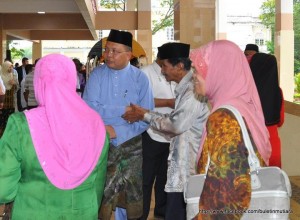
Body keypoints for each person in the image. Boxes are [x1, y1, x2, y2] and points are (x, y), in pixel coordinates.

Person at [0, 53, 109, 219]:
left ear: (39, 83)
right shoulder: (96, 125)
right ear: (73, 80)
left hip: (31, 212)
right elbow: (98, 187)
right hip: (82, 212)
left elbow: (3, 189)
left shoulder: (20, 125)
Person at [123, 42, 210, 220]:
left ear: (179, 66)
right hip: (180, 162)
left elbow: (175, 125)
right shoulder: (185, 88)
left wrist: (145, 115)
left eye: (164, 66)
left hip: (188, 168)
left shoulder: (192, 90)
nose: (162, 71)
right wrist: (145, 113)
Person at [190, 40, 271, 219]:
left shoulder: (223, 119)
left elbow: (225, 200)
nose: (193, 75)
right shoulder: (242, 105)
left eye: (198, 69)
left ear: (220, 71)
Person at [83, 29, 154, 220]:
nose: (108, 55)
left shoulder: (140, 79)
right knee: (102, 192)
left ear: (128, 55)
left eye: (115, 51)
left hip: (131, 143)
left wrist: (116, 131)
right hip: (101, 142)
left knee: (130, 193)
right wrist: (123, 110)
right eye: (107, 50)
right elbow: (89, 109)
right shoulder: (97, 75)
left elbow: (145, 116)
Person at [139, 50, 176, 219]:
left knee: (165, 178)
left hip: (172, 135)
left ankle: (161, 213)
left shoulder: (176, 73)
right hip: (150, 133)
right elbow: (140, 101)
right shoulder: (145, 73)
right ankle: (142, 214)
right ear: (161, 58)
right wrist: (169, 102)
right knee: (146, 179)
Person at [244, 43, 284, 168]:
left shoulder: (245, 93)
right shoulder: (278, 92)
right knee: (273, 184)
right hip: (273, 147)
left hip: (253, 147)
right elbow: (280, 121)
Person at [0, 61, 18, 137]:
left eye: (12, 66)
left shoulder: (12, 76)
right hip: (2, 102)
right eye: (9, 67)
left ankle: (9, 135)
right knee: (2, 120)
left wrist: (15, 84)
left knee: (10, 118)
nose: (11, 68)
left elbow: (17, 88)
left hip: (11, 102)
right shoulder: (1, 77)